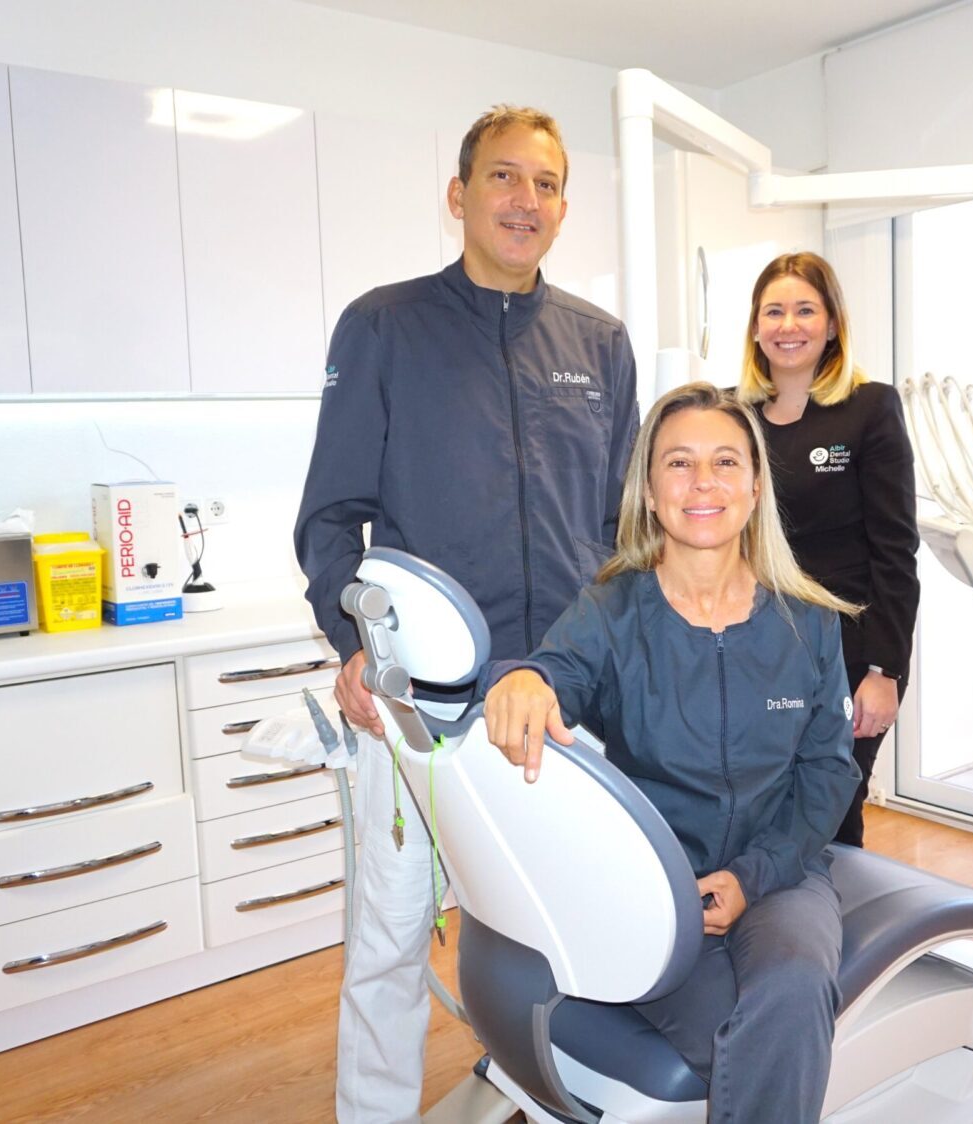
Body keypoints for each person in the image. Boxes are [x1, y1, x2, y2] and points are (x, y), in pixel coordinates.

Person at [293, 105, 639, 1124]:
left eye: (545, 184)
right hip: (422, 708)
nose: (524, 200)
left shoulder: (599, 343)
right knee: (392, 936)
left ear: (563, 208)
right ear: (459, 195)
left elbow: (624, 532)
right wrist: (356, 640)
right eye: (503, 176)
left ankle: (560, 1093)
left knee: (575, 925)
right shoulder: (384, 327)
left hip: (566, 697)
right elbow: (330, 517)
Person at [484, 382, 860, 1122]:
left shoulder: (808, 621)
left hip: (781, 874)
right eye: (680, 463)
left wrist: (753, 876)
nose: (703, 483)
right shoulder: (611, 611)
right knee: (752, 1038)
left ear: (756, 486)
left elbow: (828, 772)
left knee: (792, 991)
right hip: (653, 888)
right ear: (651, 492)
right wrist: (522, 678)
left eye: (725, 462)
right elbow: (556, 672)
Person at [736, 252, 920, 848]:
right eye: (774, 312)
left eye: (805, 310)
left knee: (832, 807)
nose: (788, 325)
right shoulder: (733, 416)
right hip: (757, 644)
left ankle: (836, 907)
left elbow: (896, 550)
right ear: (756, 327)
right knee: (762, 805)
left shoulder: (870, 408)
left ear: (833, 323)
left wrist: (885, 671)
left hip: (849, 651)